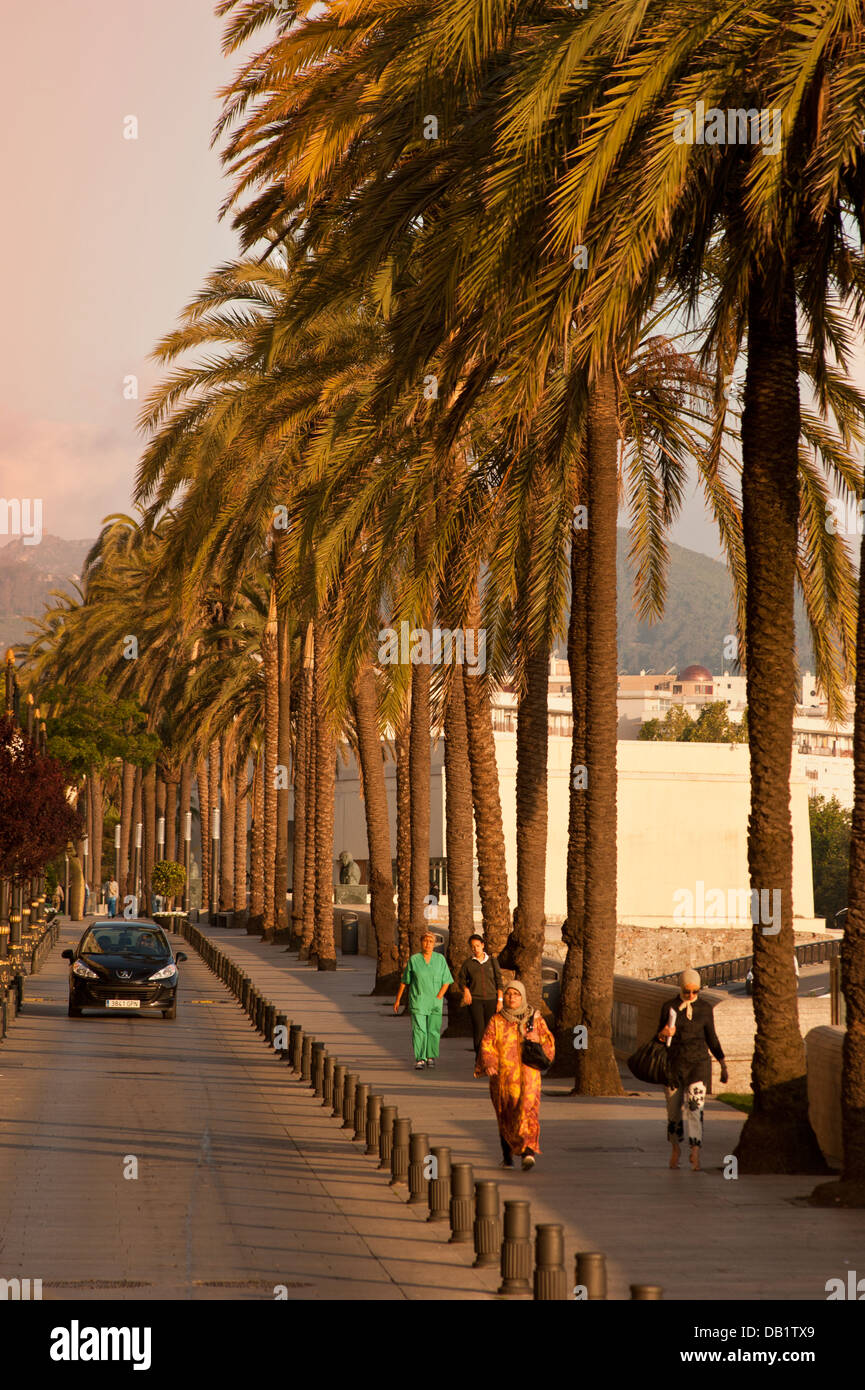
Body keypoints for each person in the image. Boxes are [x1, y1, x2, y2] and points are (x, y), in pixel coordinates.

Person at [476, 980, 555, 1170]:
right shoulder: (497, 1020)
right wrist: (489, 1064)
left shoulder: (535, 1019)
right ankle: (508, 1155)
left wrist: (539, 1038)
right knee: (507, 1114)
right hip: (504, 1078)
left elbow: (549, 1041)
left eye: (516, 994)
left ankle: (528, 1152)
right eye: (509, 994)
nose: (512, 998)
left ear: (523, 996)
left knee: (528, 1111)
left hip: (529, 1077)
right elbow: (487, 1045)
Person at [657, 968, 728, 1171]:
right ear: (681, 988)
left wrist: (722, 1063)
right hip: (673, 1066)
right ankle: (675, 1148)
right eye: (687, 991)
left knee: (695, 1109)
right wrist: (663, 1033)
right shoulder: (669, 1007)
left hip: (698, 1064)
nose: (690, 995)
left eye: (695, 991)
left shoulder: (705, 1009)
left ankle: (695, 1150)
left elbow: (712, 1038)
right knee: (673, 1111)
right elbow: (657, 1039)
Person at [394, 931, 453, 1070]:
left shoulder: (440, 960)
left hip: (435, 1002)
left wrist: (439, 996)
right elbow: (405, 981)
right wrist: (397, 1000)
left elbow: (447, 980)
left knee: (433, 1030)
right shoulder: (414, 960)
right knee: (419, 1030)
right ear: (421, 943)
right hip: (418, 1000)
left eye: (431, 941)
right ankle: (420, 1058)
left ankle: (430, 1056)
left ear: (434, 944)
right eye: (425, 941)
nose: (428, 944)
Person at [457, 934, 504, 1054]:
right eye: (473, 947)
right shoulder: (468, 964)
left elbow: (499, 982)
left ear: (483, 945)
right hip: (475, 1001)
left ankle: (491, 1056)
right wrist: (466, 990)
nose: (475, 949)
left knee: (491, 1030)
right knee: (478, 1029)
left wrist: (500, 1000)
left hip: (491, 1000)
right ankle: (479, 1058)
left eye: (478, 946)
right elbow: (461, 980)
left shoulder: (492, 962)